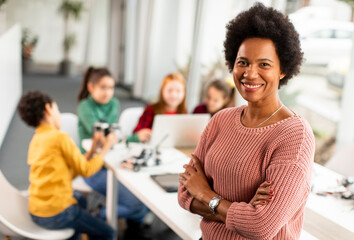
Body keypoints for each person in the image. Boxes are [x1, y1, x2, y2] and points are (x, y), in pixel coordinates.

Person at [178, 3, 315, 240]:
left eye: (264, 64)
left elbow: (260, 226)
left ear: (282, 70)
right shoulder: (221, 120)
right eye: (243, 62)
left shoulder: (295, 135)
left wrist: (206, 194)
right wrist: (241, 210)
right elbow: (184, 194)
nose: (250, 74)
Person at [17, 91, 116, 240]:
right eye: (57, 109)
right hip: (57, 213)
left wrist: (91, 152)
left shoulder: (37, 139)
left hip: (37, 211)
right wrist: (106, 148)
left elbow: (66, 170)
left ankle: (73, 234)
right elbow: (86, 170)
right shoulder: (60, 137)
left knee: (80, 199)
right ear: (48, 109)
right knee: (109, 232)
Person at [77, 67, 150, 239]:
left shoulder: (114, 104)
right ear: (91, 87)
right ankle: (96, 216)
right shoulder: (85, 106)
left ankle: (122, 219)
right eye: (103, 87)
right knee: (136, 205)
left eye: (111, 87)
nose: (108, 92)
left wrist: (117, 138)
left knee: (146, 193)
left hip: (113, 161)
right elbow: (104, 138)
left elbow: (114, 137)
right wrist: (132, 137)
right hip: (92, 167)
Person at [130, 72, 187, 142]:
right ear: (162, 91)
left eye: (178, 91)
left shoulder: (184, 112)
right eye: (169, 90)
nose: (173, 95)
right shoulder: (151, 109)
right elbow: (136, 133)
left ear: (184, 93)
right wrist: (143, 134)